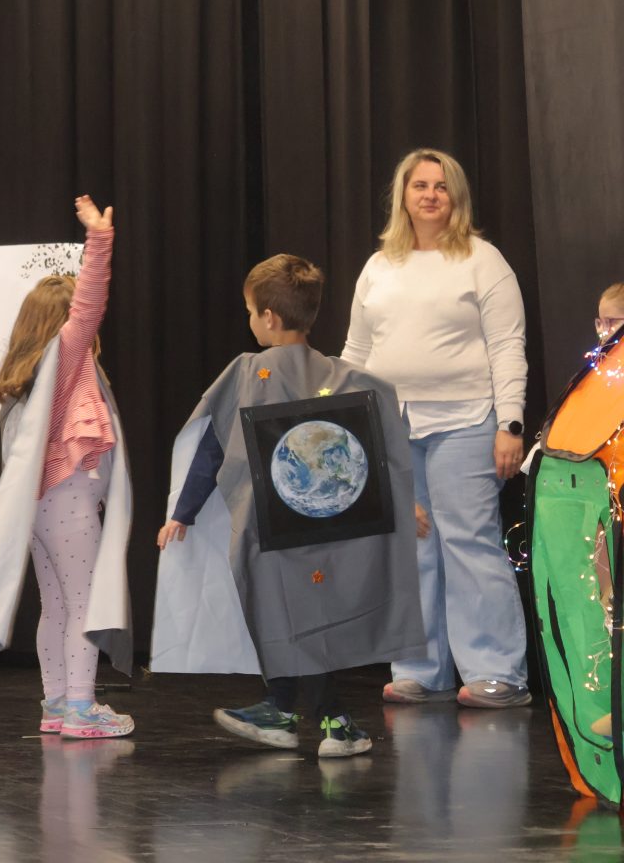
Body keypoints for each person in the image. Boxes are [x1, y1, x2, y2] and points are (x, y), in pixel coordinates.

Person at [153, 254, 422, 758]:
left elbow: (212, 448)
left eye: (250, 311)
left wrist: (183, 512)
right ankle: (283, 708)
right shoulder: (344, 376)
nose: (249, 321)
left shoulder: (246, 373)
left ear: (269, 317)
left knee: (288, 618)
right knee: (298, 619)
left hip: (271, 532)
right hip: (327, 530)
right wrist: (405, 500)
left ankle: (334, 722)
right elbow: (376, 440)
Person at [0, 196, 134, 740]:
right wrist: (100, 239)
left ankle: (58, 703)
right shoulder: (63, 360)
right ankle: (81, 708)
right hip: (68, 501)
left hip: (42, 508)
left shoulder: (29, 378)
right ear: (64, 324)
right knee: (85, 606)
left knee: (58, 606)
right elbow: (89, 305)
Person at [341, 149, 531, 708]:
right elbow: (356, 352)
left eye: (441, 187)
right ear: (402, 196)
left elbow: (507, 346)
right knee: (412, 547)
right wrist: (348, 426)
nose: (430, 195)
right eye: (420, 185)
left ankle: (498, 673)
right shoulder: (379, 266)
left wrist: (510, 423)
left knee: (469, 542)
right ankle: (421, 670)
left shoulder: (483, 260)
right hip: (393, 426)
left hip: (467, 421)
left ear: (456, 197)